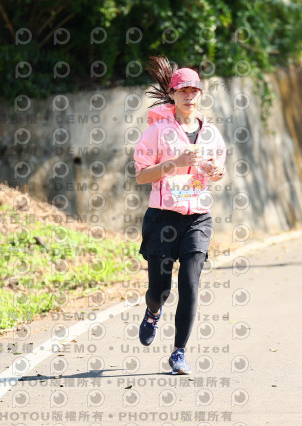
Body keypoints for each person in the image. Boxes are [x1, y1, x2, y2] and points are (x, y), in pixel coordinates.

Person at [133, 56, 226, 374]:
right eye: (183, 90)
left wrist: (214, 171)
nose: (189, 95)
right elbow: (142, 176)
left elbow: (219, 171)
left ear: (200, 94)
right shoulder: (157, 132)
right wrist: (175, 163)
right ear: (172, 94)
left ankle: (179, 352)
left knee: (189, 283)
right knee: (160, 290)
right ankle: (152, 312)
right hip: (163, 218)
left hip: (198, 218)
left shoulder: (211, 134)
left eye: (194, 90)